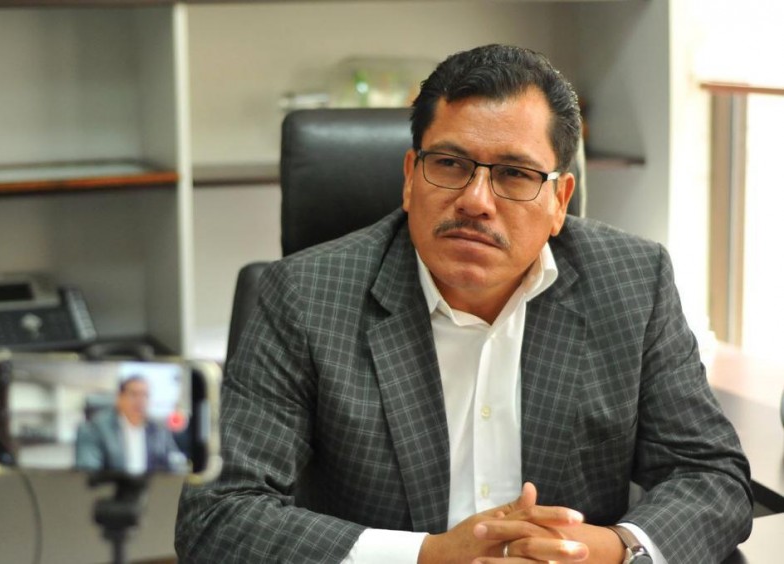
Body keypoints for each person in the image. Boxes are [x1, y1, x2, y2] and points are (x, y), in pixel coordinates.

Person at [175, 44, 752, 563]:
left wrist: (610, 550)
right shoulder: (304, 297)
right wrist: (425, 557)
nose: (476, 200)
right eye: (450, 164)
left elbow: (711, 475)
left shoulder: (632, 282)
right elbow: (217, 515)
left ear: (560, 201)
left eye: (515, 174)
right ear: (411, 177)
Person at [75, 375, 186, 474]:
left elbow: (175, 461)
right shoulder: (95, 429)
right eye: (134, 394)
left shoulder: (158, 429)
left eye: (145, 395)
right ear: (120, 398)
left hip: (151, 489)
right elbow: (88, 471)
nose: (140, 400)